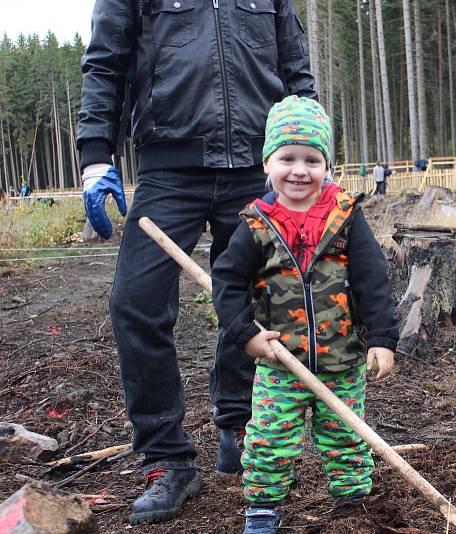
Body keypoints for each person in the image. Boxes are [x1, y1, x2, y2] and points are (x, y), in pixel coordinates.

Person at [76, 0, 316, 525]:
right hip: (168, 168)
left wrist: (305, 150)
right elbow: (106, 63)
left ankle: (238, 425)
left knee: (258, 298)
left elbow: (295, 69)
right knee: (135, 305)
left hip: (258, 167)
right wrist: (97, 155)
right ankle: (167, 459)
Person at [211, 96, 398, 534]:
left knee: (346, 439)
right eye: (287, 158)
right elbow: (227, 283)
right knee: (270, 442)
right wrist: (246, 335)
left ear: (326, 165)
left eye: (312, 159)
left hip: (342, 361)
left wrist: (382, 339)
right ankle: (261, 511)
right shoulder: (256, 223)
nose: (299, 169)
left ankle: (353, 507)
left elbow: (373, 280)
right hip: (280, 363)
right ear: (267, 165)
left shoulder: (346, 217)